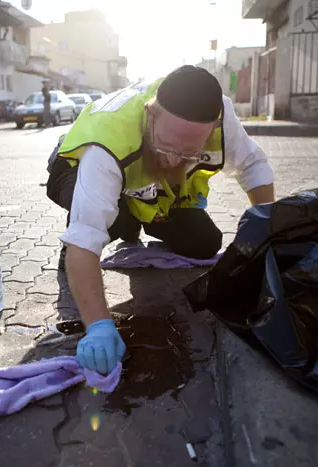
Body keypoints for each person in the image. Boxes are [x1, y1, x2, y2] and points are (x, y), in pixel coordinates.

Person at [46, 66, 276, 376]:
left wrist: (270, 233)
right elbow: (86, 237)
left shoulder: (220, 117)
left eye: (189, 153)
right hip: (74, 167)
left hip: (153, 189)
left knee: (205, 242)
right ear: (151, 115)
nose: (173, 161)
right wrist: (99, 326)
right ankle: (120, 220)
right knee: (109, 222)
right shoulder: (107, 142)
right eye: (167, 147)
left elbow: (252, 166)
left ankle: (137, 214)